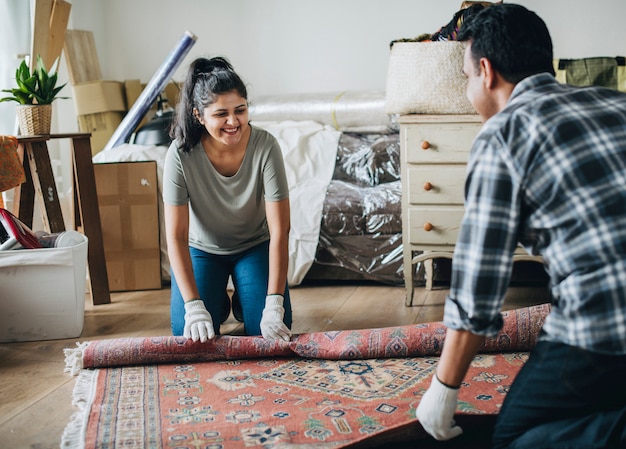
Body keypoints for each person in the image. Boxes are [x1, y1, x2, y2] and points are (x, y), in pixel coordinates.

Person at [415, 4, 626, 448]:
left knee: (515, 437)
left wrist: (444, 389)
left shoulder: (502, 134)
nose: (471, 91)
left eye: (468, 78)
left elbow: (478, 288)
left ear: (486, 72)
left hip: (604, 324)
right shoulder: (616, 102)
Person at [163, 56, 292, 343]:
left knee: (269, 335)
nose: (233, 121)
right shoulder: (180, 154)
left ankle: (247, 303)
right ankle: (216, 304)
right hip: (202, 251)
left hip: (254, 247)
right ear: (199, 115)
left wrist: (274, 303)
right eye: (221, 114)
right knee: (186, 335)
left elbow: (280, 229)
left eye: (240, 110)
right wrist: (194, 307)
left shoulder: (266, 146)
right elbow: (177, 236)